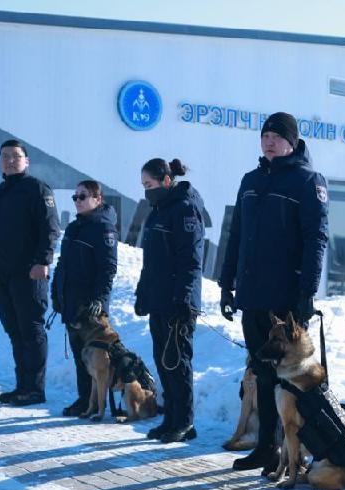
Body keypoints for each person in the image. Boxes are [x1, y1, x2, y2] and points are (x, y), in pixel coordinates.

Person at [219, 113, 329, 470]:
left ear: (292, 143)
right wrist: (226, 282)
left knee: (289, 379)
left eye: (277, 136)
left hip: (284, 300)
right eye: (265, 135)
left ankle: (293, 452)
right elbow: (236, 235)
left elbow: (316, 239)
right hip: (252, 294)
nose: (269, 141)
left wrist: (306, 292)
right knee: (262, 373)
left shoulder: (308, 181)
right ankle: (266, 446)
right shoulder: (250, 181)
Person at [134, 158, 205, 444]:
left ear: (166, 181)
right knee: (163, 362)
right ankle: (171, 418)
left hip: (178, 301)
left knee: (178, 362)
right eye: (143, 185)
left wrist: (183, 299)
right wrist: (143, 292)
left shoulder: (185, 208)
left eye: (149, 184)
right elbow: (151, 260)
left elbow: (191, 260)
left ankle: (185, 421)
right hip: (159, 298)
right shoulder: (158, 211)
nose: (146, 191)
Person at [0, 139, 60, 406]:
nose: (10, 160)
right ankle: (22, 386)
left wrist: (43, 260)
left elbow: (50, 228)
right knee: (14, 331)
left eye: (15, 156)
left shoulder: (37, 189)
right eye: (5, 156)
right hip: (2, 274)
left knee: (31, 330)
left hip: (28, 272)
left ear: (26, 161)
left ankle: (35, 389)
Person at [52, 180, 119, 417]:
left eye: (83, 196)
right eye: (75, 197)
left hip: (90, 307)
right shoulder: (74, 228)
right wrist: (56, 292)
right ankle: (85, 400)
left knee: (93, 357)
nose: (78, 201)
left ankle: (97, 403)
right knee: (81, 356)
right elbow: (63, 264)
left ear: (97, 199)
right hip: (71, 302)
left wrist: (99, 299)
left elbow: (108, 268)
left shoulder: (103, 228)